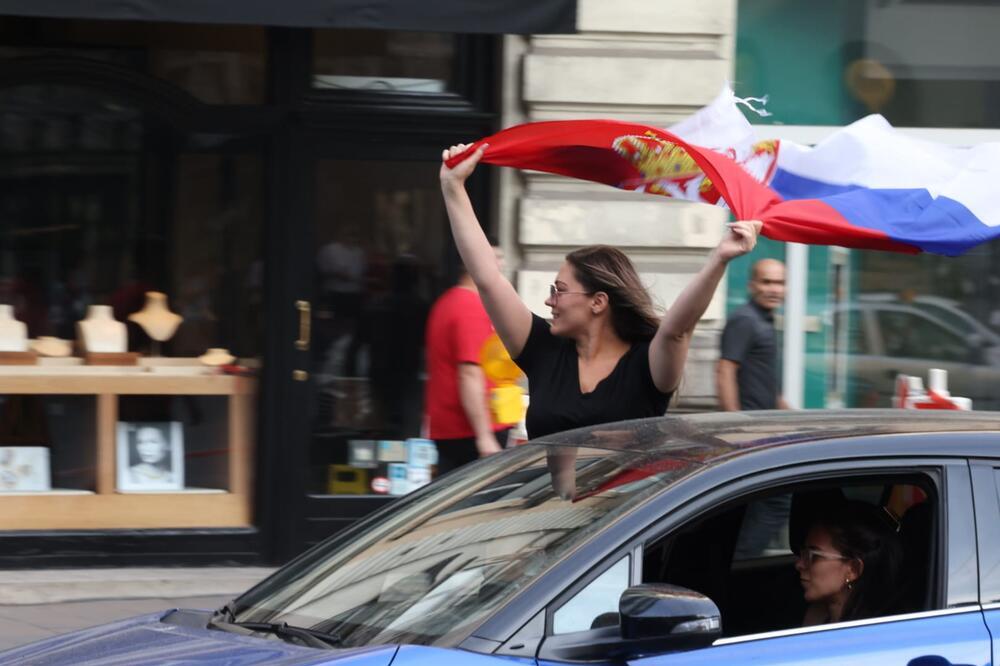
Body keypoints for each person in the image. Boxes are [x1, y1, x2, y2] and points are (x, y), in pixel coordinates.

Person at [440, 143, 762, 439]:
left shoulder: (645, 364)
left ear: (598, 302)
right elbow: (488, 279)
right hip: (554, 503)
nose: (548, 300)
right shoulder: (544, 349)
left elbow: (677, 331)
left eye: (559, 290)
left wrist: (719, 258)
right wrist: (453, 187)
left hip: (636, 505)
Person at [423, 245, 512, 474]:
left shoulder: (448, 302)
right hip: (470, 430)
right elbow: (470, 373)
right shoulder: (470, 307)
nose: (501, 264)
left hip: (456, 428)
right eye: (495, 258)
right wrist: (484, 437)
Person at [796, 501, 902, 626]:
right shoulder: (817, 615)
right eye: (804, 553)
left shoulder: (871, 631)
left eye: (813, 556)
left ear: (853, 570)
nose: (799, 564)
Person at [716, 258, 788, 411]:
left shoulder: (765, 319)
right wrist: (734, 421)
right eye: (766, 282)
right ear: (752, 286)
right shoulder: (745, 319)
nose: (774, 289)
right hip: (749, 423)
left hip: (766, 420)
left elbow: (767, 383)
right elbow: (725, 370)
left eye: (780, 283)